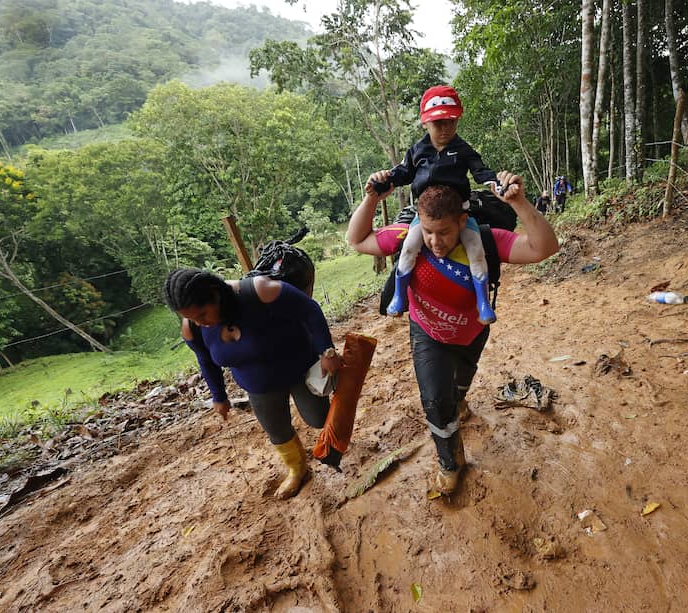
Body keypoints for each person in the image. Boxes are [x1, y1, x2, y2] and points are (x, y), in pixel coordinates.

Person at [346, 174, 559, 496]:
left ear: (462, 221)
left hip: (473, 332)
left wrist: (518, 202)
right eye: (428, 232)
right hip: (427, 332)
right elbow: (357, 240)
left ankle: (460, 401)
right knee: (434, 400)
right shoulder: (407, 238)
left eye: (444, 232)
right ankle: (450, 461)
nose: (435, 241)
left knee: (461, 382)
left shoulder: (486, 241)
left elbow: (545, 247)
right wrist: (373, 198)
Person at [163, 268, 342, 499]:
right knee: (277, 431)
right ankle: (297, 469)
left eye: (203, 314)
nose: (200, 323)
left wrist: (326, 351)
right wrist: (219, 396)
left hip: (299, 369)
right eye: (192, 318)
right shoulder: (193, 328)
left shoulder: (259, 291)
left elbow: (310, 310)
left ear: (215, 294)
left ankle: (336, 444)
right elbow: (206, 361)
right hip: (258, 385)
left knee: (318, 419)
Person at [369, 84, 500, 325]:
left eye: (450, 121)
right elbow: (403, 173)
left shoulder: (462, 149)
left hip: (459, 214)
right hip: (426, 217)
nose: (445, 128)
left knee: (476, 250)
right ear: (425, 123)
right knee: (409, 247)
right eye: (438, 123)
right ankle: (399, 295)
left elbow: (481, 171)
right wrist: (383, 179)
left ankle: (482, 301)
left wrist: (496, 182)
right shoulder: (418, 151)